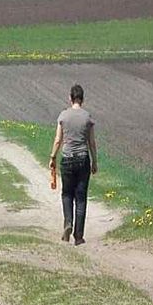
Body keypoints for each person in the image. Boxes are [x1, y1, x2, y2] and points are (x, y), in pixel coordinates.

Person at [48, 84, 98, 246]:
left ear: (70, 98)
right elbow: (91, 142)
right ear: (82, 99)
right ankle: (78, 235)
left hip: (67, 158)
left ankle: (68, 222)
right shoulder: (87, 117)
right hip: (83, 158)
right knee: (81, 198)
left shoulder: (63, 116)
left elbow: (58, 140)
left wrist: (53, 157)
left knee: (67, 194)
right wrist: (94, 161)